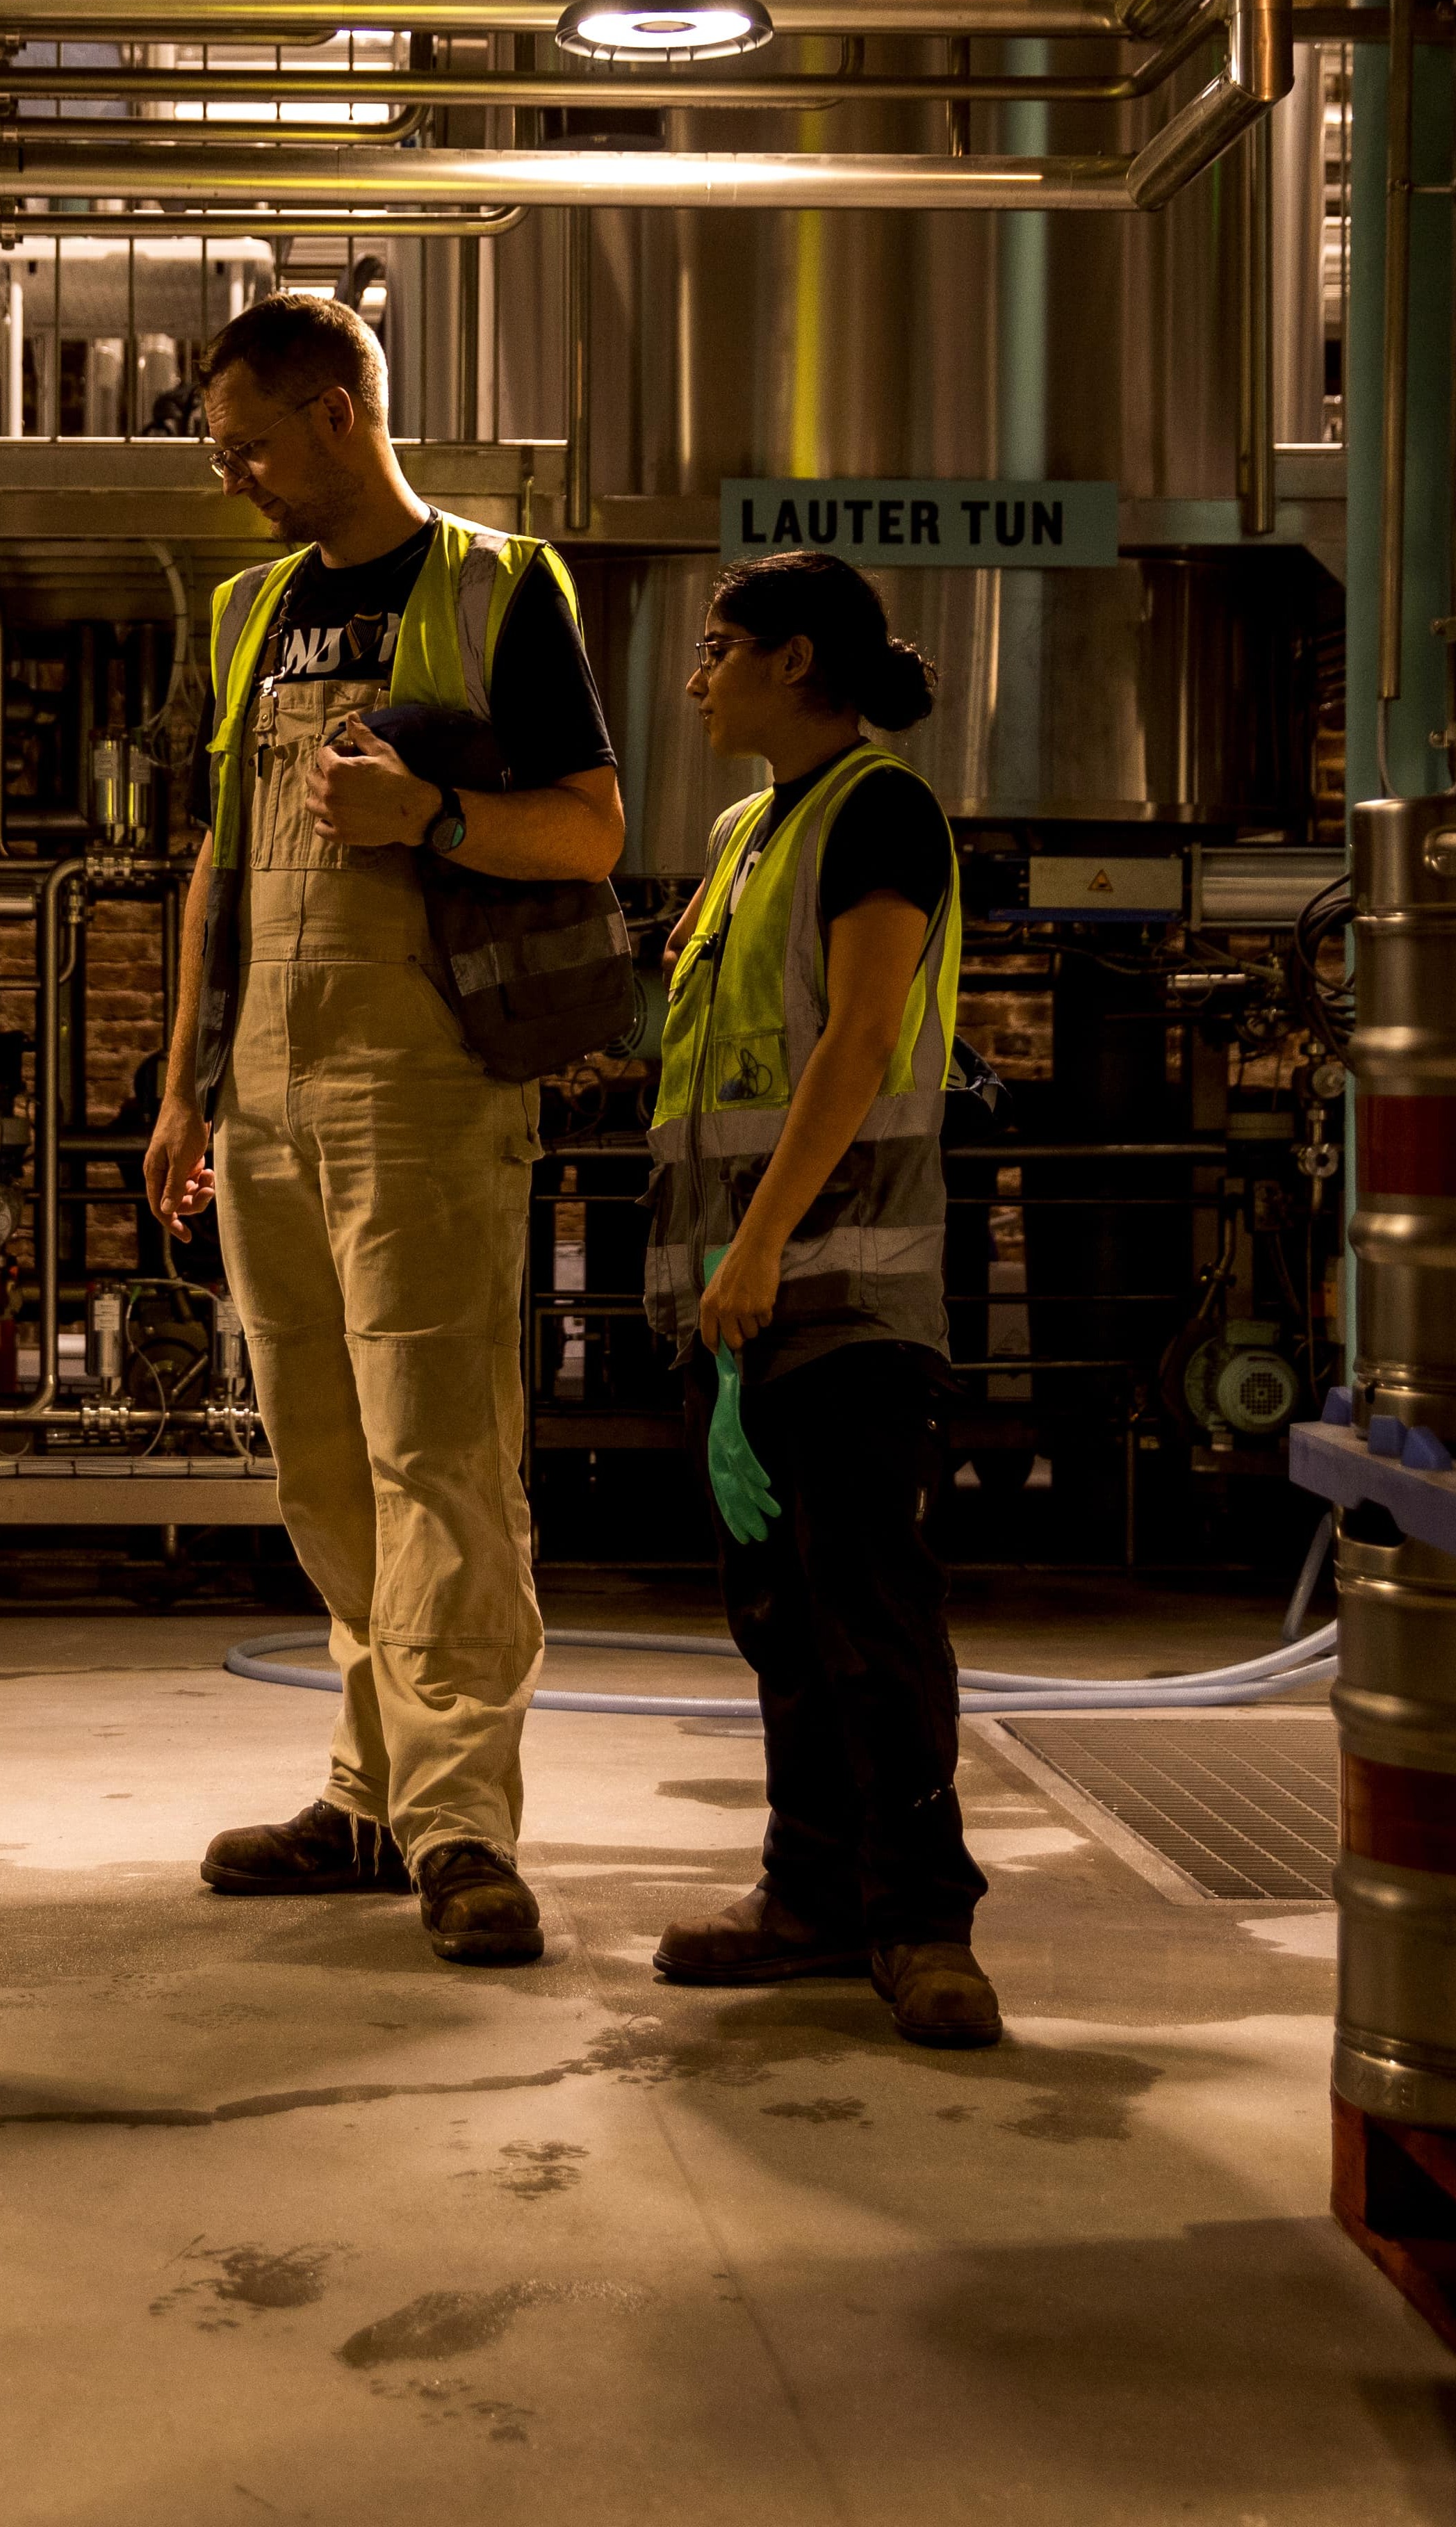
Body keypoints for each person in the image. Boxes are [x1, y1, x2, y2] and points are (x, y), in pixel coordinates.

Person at [145, 293, 624, 1968]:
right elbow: (219, 858)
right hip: (266, 1075)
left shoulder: (500, 584)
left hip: (420, 1079)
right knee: (322, 1457)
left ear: (342, 410)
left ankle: (463, 1821)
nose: (239, 478)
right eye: (223, 450)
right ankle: (370, 1787)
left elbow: (587, 833)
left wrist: (430, 813)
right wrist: (182, 1078)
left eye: (252, 443)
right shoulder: (247, 613)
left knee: (440, 1451)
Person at [641, 550, 1004, 2049]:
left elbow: (856, 1043)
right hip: (739, 1306)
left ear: (795, 661)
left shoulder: (879, 809)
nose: (694, 674)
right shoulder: (741, 832)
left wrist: (762, 1243)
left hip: (840, 1291)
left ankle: (922, 1921)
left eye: (717, 647)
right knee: (781, 1616)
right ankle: (808, 1894)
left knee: (870, 1610)